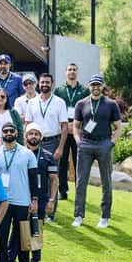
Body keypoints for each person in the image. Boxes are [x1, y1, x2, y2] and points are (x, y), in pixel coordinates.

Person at [71, 74, 121, 229]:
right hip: (86, 144)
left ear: (102, 86)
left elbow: (118, 127)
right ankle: (79, 216)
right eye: (93, 85)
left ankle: (105, 216)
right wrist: (78, 141)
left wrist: (111, 143)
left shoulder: (111, 104)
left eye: (98, 85)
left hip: (104, 144)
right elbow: (75, 125)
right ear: (89, 86)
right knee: (81, 181)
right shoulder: (81, 103)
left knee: (106, 181)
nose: (95, 87)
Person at [22, 124, 58, 262]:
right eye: (31, 133)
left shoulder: (48, 156)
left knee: (36, 230)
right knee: (20, 230)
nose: (34, 136)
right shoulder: (20, 154)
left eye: (37, 134)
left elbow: (54, 180)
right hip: (22, 197)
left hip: (42, 198)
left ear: (41, 137)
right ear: (26, 136)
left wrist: (51, 200)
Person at [53, 62, 86, 204]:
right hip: (64, 130)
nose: (72, 72)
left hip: (78, 131)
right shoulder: (59, 90)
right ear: (65, 72)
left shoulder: (84, 91)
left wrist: (79, 126)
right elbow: (54, 110)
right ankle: (63, 191)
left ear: (77, 72)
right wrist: (65, 126)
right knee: (62, 162)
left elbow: (89, 111)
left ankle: (80, 191)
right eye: (69, 70)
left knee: (79, 162)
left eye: (74, 70)